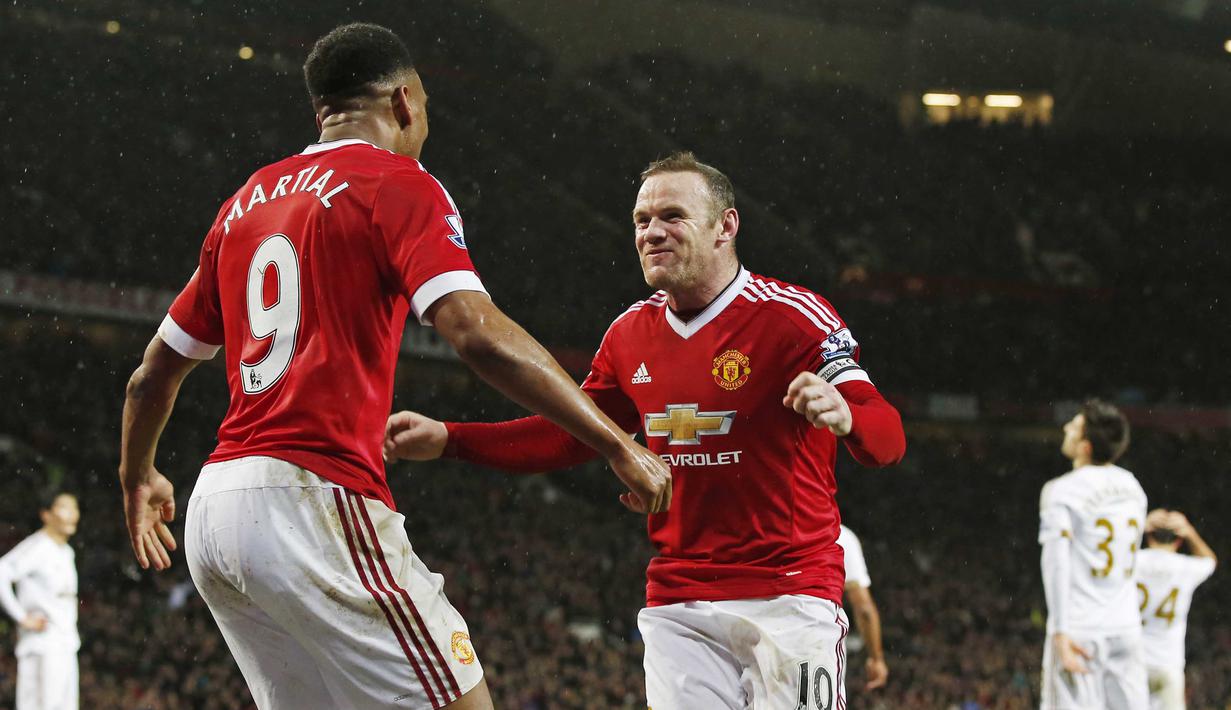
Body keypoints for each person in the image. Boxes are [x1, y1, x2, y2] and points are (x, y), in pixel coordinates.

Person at [117, 22, 670, 710]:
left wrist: (137, 474)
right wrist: (617, 445)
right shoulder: (397, 183)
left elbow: (151, 376)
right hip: (311, 497)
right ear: (406, 100)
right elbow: (477, 335)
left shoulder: (244, 202)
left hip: (216, 508)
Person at [384, 151, 906, 709]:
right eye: (641, 220)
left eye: (673, 217)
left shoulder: (795, 318)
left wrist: (847, 416)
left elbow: (888, 439)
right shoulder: (630, 334)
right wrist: (451, 438)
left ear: (725, 227)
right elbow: (567, 434)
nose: (652, 232)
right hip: (679, 602)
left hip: (791, 594)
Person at [1038, 400, 1148, 710]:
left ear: (1084, 446)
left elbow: (1056, 561)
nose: (1065, 428)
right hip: (1126, 627)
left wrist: (1059, 630)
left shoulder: (1061, 490)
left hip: (1080, 628)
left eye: (1073, 425)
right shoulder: (1133, 487)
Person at [0, 492, 81, 710]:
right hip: (42, 644)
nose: (72, 514)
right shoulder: (38, 546)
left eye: (75, 508)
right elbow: (2, 571)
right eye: (64, 507)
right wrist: (21, 617)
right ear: (46, 514)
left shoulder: (66, 552)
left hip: (65, 643)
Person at [1136, 509, 1217, 710]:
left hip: (1133, 659)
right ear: (1179, 541)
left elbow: (1114, 556)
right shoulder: (1185, 567)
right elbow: (1210, 561)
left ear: (1148, 536)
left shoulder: (1133, 561)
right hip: (1168, 662)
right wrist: (1189, 530)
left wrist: (1139, 527)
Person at [835, 524, 888, 691]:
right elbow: (864, 609)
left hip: (759, 636)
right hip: (815, 642)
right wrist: (876, 658)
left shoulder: (761, 523)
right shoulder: (840, 536)